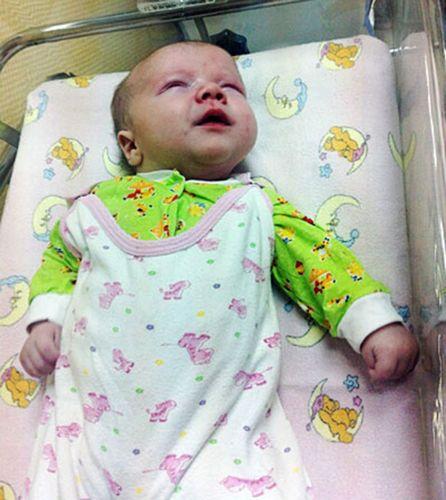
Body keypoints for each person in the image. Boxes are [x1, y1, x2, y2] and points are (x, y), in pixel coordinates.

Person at [20, 41, 419, 499]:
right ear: (130, 145)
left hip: (217, 437)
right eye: (176, 85)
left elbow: (320, 261)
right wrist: (45, 319)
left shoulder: (254, 206)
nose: (212, 92)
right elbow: (60, 261)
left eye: (231, 87)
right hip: (97, 433)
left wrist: (371, 322)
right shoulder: (93, 207)